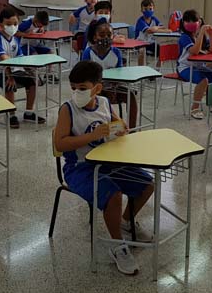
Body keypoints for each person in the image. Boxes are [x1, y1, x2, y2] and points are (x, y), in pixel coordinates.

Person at [53, 61, 154, 275]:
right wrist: (93, 136)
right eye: (73, 88)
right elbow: (60, 144)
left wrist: (120, 128)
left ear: (97, 88)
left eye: (82, 88)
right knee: (113, 195)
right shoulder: (68, 109)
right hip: (79, 168)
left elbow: (121, 125)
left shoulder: (105, 103)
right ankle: (117, 245)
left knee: (147, 184)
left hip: (108, 162)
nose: (76, 92)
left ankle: (125, 221)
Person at [0, 7, 45, 128]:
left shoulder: (15, 39)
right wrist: (10, 76)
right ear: (1, 25)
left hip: (13, 70)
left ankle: (29, 113)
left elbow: (20, 59)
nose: (12, 27)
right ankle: (11, 115)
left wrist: (32, 72)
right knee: (10, 85)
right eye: (8, 24)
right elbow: (4, 59)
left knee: (32, 82)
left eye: (15, 24)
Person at [82, 20, 138, 129]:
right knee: (102, 99)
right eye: (102, 35)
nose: (106, 38)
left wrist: (114, 87)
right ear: (95, 37)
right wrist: (101, 88)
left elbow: (119, 74)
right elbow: (85, 76)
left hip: (113, 87)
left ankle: (132, 129)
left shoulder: (116, 52)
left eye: (109, 35)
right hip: (94, 89)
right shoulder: (88, 53)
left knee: (130, 96)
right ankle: (110, 127)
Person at [177, 9, 212, 120]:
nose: (190, 23)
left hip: (199, 67)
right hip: (185, 68)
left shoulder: (201, 37)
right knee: (203, 80)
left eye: (193, 21)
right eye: (187, 21)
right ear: (183, 23)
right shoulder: (184, 37)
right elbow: (195, 51)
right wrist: (201, 33)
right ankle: (195, 108)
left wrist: (211, 34)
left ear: (199, 22)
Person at [134, 0, 168, 66]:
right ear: (141, 10)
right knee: (142, 51)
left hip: (151, 43)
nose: (148, 11)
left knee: (163, 52)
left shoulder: (154, 19)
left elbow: (163, 27)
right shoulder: (140, 21)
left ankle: (157, 70)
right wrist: (155, 29)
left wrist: (156, 28)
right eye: (145, 9)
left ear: (153, 9)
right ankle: (140, 69)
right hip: (140, 43)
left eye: (150, 9)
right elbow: (149, 31)